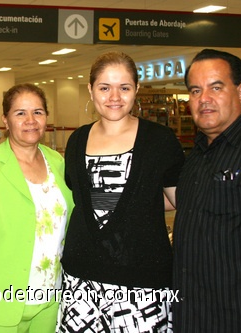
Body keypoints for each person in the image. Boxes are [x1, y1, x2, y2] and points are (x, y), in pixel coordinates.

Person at [57, 51, 185, 332]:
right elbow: (91, 200)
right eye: (105, 87)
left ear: (136, 90)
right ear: (90, 90)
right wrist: (138, 202)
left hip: (141, 281)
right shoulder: (78, 140)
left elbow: (179, 202)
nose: (114, 96)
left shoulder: (159, 140)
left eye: (124, 87)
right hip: (82, 280)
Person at [173, 49, 241, 333]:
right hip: (194, 311)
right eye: (195, 90)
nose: (204, 99)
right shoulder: (198, 152)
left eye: (216, 87)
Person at [0, 83, 74, 332]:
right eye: (20, 113)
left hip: (50, 299)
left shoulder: (58, 162)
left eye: (38, 112)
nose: (30, 120)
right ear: (5, 120)